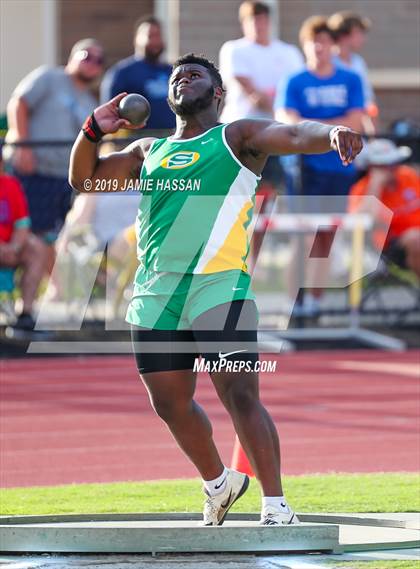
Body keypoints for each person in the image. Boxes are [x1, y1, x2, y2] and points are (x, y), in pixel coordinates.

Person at [69, 53, 362, 526]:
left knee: (241, 395)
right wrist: (93, 129)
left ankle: (276, 506)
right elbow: (83, 179)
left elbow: (290, 134)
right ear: (169, 97)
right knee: (168, 403)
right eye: (177, 77)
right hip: (157, 290)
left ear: (217, 93)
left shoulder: (235, 137)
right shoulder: (149, 151)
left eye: (196, 74)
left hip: (219, 285)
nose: (184, 79)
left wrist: (328, 134)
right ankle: (219, 483)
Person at [277, 16, 365, 313]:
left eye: (325, 41)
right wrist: (330, 129)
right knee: (301, 237)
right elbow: (288, 121)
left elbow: (355, 121)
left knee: (326, 237)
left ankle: (315, 302)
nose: (319, 47)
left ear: (333, 46)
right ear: (304, 46)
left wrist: (315, 127)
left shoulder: (350, 79)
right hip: (303, 170)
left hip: (339, 168)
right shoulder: (294, 81)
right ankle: (294, 303)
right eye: (313, 41)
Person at [4, 39, 104, 273]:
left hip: (63, 180)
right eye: (87, 55)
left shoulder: (90, 102)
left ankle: (46, 299)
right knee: (24, 235)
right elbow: (18, 103)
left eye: (99, 60)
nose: (92, 63)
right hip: (31, 172)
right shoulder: (50, 77)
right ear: (72, 56)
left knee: (54, 239)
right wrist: (23, 144)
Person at [219, 1, 304, 270]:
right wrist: (277, 103)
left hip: (274, 140)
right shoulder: (234, 49)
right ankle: (228, 262)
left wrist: (278, 105)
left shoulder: (288, 52)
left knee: (264, 204)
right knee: (234, 204)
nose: (259, 25)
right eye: (253, 20)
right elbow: (251, 92)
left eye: (263, 19)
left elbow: (294, 89)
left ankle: (251, 266)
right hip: (238, 141)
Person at [349, 138, 420, 279]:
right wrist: (376, 186)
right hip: (391, 247)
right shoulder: (362, 189)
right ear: (372, 167)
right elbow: (363, 223)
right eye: (385, 165)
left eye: (394, 163)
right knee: (415, 238)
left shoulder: (408, 176)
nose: (392, 169)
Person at [100, 16, 175, 131]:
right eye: (150, 36)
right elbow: (110, 113)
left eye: (158, 36)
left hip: (170, 140)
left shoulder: (172, 71)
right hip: (136, 141)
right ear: (136, 39)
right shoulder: (122, 73)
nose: (155, 41)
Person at [0, 150, 47, 329]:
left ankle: (25, 315)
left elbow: (22, 225)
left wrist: (14, 247)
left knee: (37, 248)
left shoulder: (11, 185)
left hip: (10, 249)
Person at [328, 11, 377, 132]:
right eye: (358, 33)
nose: (362, 38)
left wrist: (372, 135)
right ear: (344, 35)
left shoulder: (358, 62)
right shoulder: (327, 63)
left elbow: (368, 102)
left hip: (354, 129)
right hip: (332, 128)